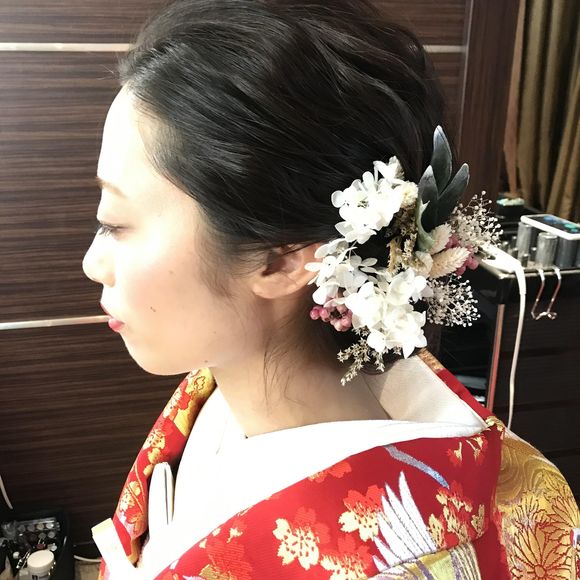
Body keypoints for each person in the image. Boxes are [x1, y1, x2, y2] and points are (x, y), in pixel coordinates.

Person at [81, 0, 579, 578]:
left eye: (116, 223)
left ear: (282, 258)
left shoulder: (401, 562)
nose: (93, 263)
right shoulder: (227, 373)